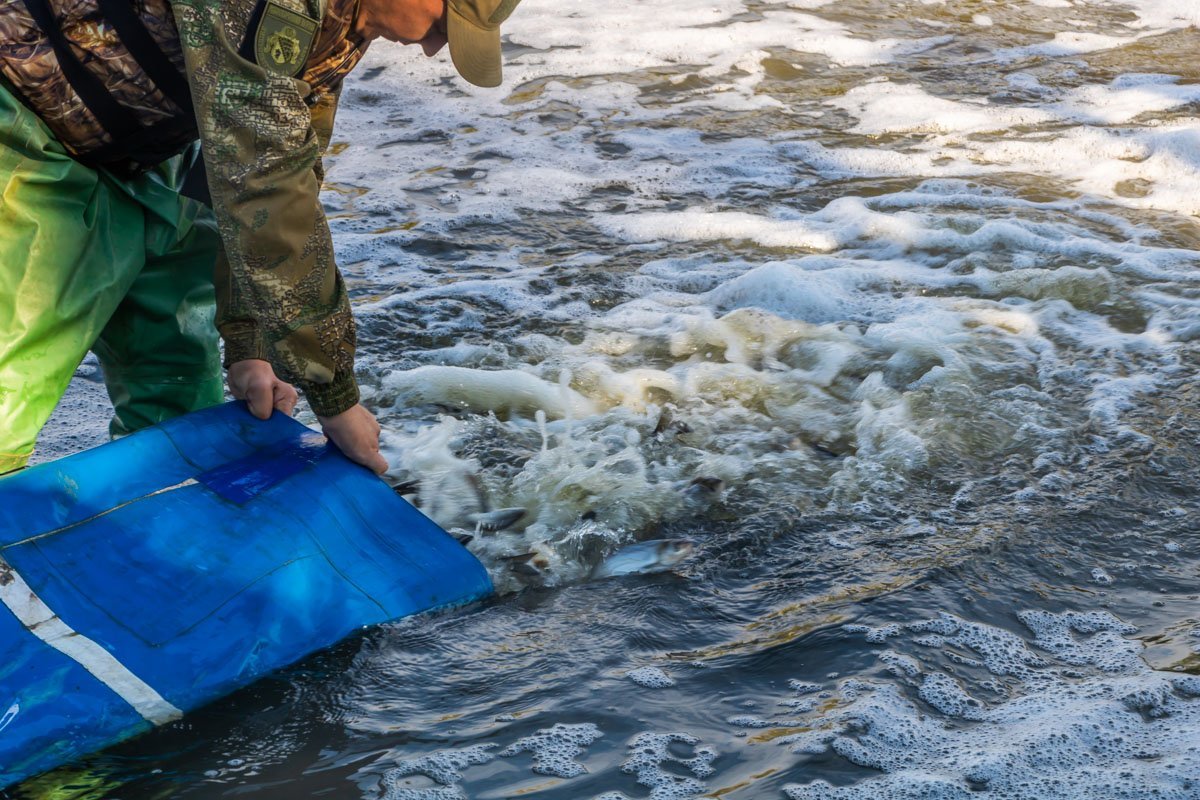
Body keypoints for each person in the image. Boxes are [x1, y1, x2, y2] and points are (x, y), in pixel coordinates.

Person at [0, 0, 521, 475]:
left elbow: (282, 170)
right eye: (444, 25)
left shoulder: (345, 27)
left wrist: (247, 342)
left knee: (179, 384)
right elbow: (266, 191)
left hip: (143, 153)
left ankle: (168, 543)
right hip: (24, 125)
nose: (434, 47)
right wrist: (335, 398)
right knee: (10, 383)